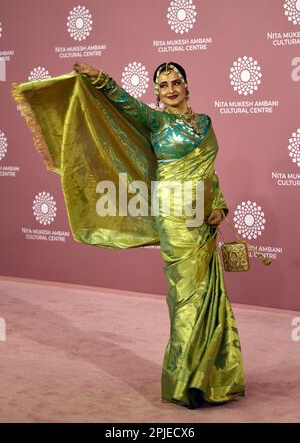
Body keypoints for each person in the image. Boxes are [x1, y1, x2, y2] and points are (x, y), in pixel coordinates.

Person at [12, 61, 245, 409]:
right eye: (163, 85)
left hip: (203, 215)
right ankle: (185, 383)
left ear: (186, 85)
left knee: (209, 297)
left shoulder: (207, 123)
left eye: (175, 82)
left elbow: (209, 173)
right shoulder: (157, 121)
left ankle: (211, 377)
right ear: (157, 93)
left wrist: (221, 208)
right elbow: (127, 105)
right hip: (174, 214)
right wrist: (101, 80)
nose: (170, 89)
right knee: (186, 298)